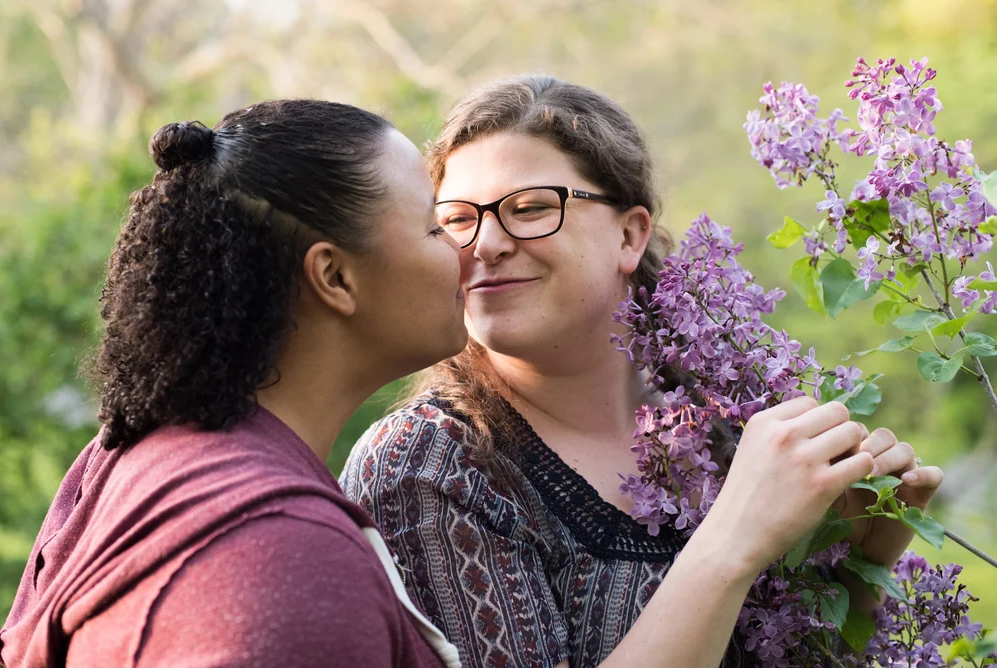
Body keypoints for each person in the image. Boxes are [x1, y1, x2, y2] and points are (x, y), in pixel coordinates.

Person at [340, 76, 944, 668]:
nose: (486, 244)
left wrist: (859, 568)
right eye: (458, 220)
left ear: (630, 235)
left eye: (529, 209)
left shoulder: (729, 421)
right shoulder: (426, 467)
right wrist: (732, 542)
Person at [0, 100, 465, 668]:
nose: (468, 250)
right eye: (436, 227)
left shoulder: (138, 454)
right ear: (335, 277)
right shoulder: (286, 566)